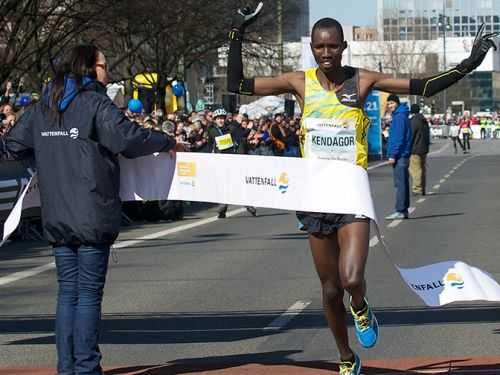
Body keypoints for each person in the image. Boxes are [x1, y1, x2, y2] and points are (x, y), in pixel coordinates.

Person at [226, 4, 497, 374]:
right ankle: (345, 356)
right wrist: (238, 30)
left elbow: (424, 87)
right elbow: (236, 85)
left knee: (351, 279)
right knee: (330, 289)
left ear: (343, 46)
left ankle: (362, 305)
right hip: (314, 196)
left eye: (332, 47)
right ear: (311, 47)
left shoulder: (363, 80)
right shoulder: (299, 82)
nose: (326, 54)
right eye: (319, 47)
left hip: (351, 192)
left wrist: (469, 63)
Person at [0, 45, 181, 375]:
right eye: (104, 65)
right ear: (89, 69)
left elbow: (13, 145)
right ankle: (86, 368)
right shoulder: (95, 103)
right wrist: (165, 141)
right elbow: (128, 139)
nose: (107, 72)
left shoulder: (43, 108)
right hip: (92, 210)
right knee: (87, 296)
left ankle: (67, 368)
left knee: (68, 293)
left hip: (56, 212)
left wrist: (48, 153)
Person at [207, 107, 257, 218]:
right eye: (218, 119)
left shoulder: (231, 128)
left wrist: (248, 129)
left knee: (238, 183)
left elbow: (241, 136)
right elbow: (210, 146)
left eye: (222, 118)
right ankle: (223, 207)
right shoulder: (212, 130)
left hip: (232, 160)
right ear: (215, 120)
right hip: (220, 161)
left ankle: (248, 204)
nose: (220, 121)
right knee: (223, 185)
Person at [385, 94, 412, 219]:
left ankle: (400, 210)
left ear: (397, 103)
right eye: (389, 104)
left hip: (400, 155)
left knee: (400, 184)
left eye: (392, 103)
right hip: (402, 155)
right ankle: (403, 210)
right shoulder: (400, 115)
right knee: (402, 183)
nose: (390, 106)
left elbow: (399, 138)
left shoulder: (399, 117)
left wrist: (393, 155)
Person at [408, 104, 430, 196]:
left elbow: (411, 135)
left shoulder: (414, 121)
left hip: (415, 148)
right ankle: (422, 188)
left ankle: (417, 189)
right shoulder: (423, 120)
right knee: (422, 168)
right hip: (424, 148)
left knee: (415, 169)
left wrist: (408, 146)